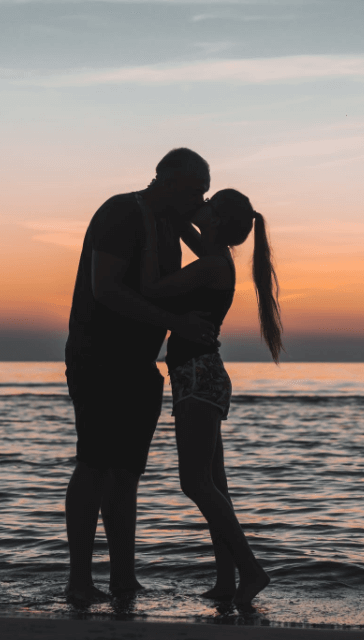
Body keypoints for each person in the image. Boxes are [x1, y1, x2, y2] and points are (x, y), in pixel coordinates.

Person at [64, 148, 218, 602]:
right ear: (166, 181)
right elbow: (105, 288)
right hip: (98, 357)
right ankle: (79, 581)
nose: (198, 201)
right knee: (94, 462)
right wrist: (176, 324)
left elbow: (211, 254)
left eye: (204, 195)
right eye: (193, 192)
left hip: (139, 364)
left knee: (126, 473)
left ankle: (123, 578)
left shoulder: (169, 226)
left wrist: (199, 220)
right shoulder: (120, 212)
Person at [137, 188, 282, 605]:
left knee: (195, 481)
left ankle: (251, 572)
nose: (198, 205)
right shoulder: (217, 259)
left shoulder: (211, 267)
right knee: (214, 484)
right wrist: (166, 204)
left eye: (206, 202)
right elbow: (190, 229)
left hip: (198, 376)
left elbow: (152, 288)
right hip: (203, 376)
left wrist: (148, 228)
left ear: (215, 220)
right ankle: (225, 581)